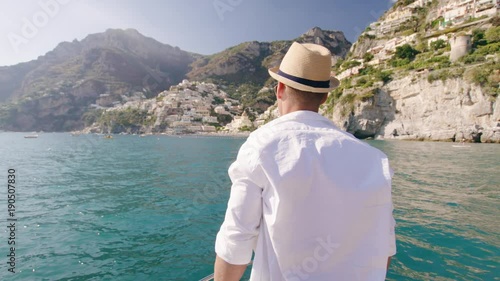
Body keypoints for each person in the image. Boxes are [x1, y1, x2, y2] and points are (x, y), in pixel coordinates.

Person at [214, 42, 396, 281]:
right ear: (323, 97)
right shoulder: (375, 160)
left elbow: (236, 241)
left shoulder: (262, 146)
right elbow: (385, 251)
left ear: (279, 89)